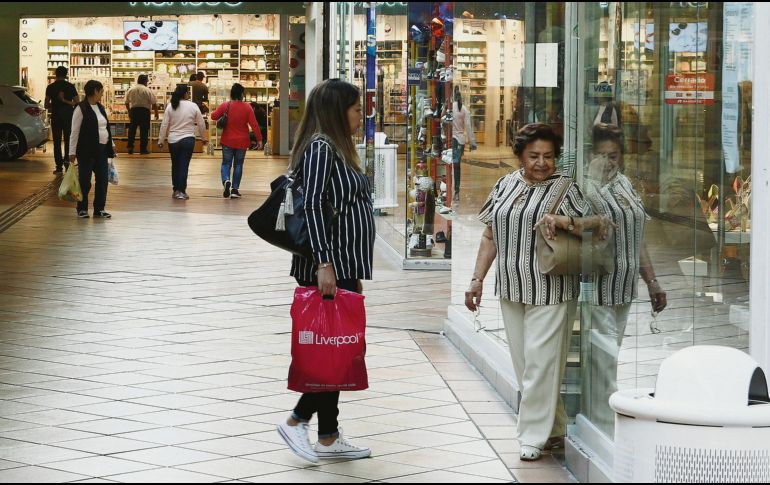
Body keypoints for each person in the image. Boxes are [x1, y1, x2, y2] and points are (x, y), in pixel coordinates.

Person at [464, 123, 611, 461]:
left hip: (553, 288)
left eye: (548, 156)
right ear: (520, 157)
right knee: (526, 365)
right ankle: (555, 427)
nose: (542, 162)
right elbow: (490, 236)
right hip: (512, 286)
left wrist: (565, 222)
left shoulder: (567, 188)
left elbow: (599, 222)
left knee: (540, 366)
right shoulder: (505, 184)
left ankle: (531, 435)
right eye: (534, 156)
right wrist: (476, 279)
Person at [276, 79, 374, 464]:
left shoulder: (335, 148)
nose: (360, 116)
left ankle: (329, 437)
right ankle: (297, 419)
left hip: (340, 264)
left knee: (336, 346)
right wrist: (325, 263)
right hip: (326, 266)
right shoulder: (321, 148)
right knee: (334, 352)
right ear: (337, 111)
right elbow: (313, 206)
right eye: (354, 109)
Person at [583, 123, 667, 434]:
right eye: (602, 155)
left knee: (609, 354)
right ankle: (604, 425)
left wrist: (653, 281)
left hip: (625, 285)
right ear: (591, 154)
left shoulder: (625, 185)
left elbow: (638, 238)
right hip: (596, 285)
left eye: (614, 155)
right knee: (603, 359)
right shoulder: (585, 187)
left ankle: (598, 416)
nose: (608, 161)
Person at [68, 80, 116, 219]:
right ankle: (82, 208)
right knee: (85, 181)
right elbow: (74, 132)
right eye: (101, 91)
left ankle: (99, 209)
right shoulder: (81, 108)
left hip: (102, 150)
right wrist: (72, 152)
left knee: (102, 180)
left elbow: (104, 128)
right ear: (95, 91)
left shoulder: (100, 107)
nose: (102, 94)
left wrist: (111, 142)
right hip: (86, 151)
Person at [210, 83, 263, 199]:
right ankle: (234, 189)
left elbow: (213, 116)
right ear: (241, 94)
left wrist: (220, 111)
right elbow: (254, 125)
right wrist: (259, 139)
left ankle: (226, 180)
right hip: (242, 141)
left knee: (226, 163)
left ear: (231, 93)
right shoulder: (247, 107)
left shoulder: (225, 105)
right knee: (238, 164)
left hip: (227, 140)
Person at [158, 84, 209, 200]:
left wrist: (161, 140)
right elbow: (201, 123)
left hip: (173, 140)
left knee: (175, 165)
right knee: (184, 165)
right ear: (186, 94)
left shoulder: (171, 106)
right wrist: (203, 137)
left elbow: (164, 124)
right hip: (188, 139)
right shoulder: (193, 106)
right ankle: (182, 190)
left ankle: (176, 190)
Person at [45, 66, 79, 174]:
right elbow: (77, 102)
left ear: (55, 74)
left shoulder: (50, 87)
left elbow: (46, 105)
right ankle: (67, 164)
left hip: (56, 117)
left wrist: (57, 101)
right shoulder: (70, 86)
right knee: (69, 141)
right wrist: (66, 101)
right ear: (66, 74)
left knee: (57, 142)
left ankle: (58, 167)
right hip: (69, 117)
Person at [451, 86, 476, 201]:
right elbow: (468, 126)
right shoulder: (464, 109)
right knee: (457, 167)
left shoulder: (450, 107)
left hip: (450, 140)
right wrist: (472, 142)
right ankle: (456, 192)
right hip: (460, 141)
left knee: (447, 165)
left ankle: (445, 191)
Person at [125, 74, 158, 155]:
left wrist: (129, 111)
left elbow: (126, 102)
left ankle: (130, 147)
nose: (147, 82)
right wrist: (156, 113)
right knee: (144, 131)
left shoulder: (131, 89)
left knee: (132, 130)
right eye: (147, 81)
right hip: (144, 112)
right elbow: (154, 103)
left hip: (134, 111)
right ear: (144, 81)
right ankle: (143, 150)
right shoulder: (147, 90)